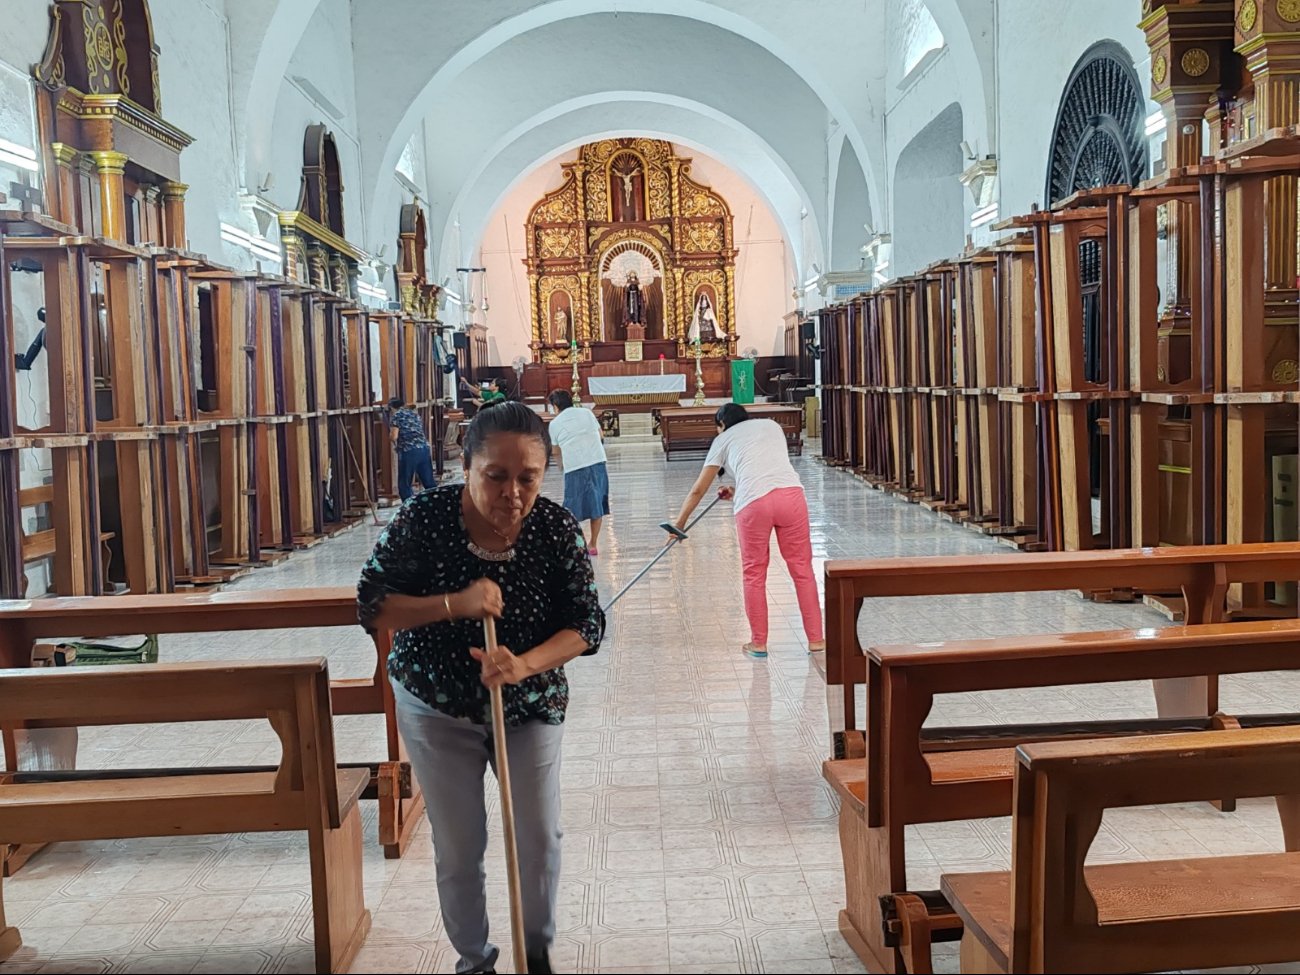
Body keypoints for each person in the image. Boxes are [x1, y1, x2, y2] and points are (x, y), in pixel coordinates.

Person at [358, 401, 603, 975]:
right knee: (461, 843)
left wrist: (523, 665)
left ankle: (535, 953)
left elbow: (587, 625)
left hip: (529, 702)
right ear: (465, 465)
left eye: (529, 478)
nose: (513, 494)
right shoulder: (425, 519)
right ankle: (476, 960)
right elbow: (371, 604)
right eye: (495, 476)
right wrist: (454, 604)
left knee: (538, 837)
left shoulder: (553, 527)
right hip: (435, 703)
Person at [668, 404, 824, 659]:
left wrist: (679, 524)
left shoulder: (722, 439)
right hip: (792, 498)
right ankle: (816, 639)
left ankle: (759, 643)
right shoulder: (771, 426)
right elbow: (767, 471)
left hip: (754, 506)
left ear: (721, 425)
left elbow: (699, 489)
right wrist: (738, 491)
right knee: (802, 570)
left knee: (754, 573)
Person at [547, 389, 610, 556]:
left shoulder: (554, 424)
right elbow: (601, 435)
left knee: (572, 507)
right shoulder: (587, 412)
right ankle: (593, 544)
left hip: (574, 467)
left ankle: (575, 544)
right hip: (597, 462)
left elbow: (555, 451)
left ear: (555, 407)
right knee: (596, 504)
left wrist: (562, 467)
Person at [388, 397, 436, 501]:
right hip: (424, 449)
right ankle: (436, 503)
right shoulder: (414, 414)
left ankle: (409, 508)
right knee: (428, 482)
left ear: (391, 408)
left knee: (404, 484)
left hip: (409, 452)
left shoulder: (396, 416)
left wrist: (392, 438)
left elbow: (394, 436)